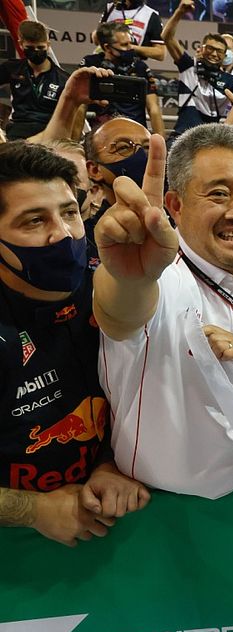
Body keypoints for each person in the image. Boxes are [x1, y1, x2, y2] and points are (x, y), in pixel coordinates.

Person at [94, 124, 233, 499]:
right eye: (218, 194)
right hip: (167, 512)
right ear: (175, 205)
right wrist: (130, 277)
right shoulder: (160, 279)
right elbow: (121, 313)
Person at [0, 141, 149, 546]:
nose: (63, 234)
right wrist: (33, 510)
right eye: (34, 221)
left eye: (69, 213)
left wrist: (109, 464)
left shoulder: (108, 284)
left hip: (106, 521)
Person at [162, 0, 233, 137]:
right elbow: (167, 37)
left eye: (219, 51)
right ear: (201, 49)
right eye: (210, 48)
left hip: (210, 140)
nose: (214, 54)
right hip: (183, 137)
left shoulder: (230, 81)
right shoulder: (188, 66)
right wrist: (179, 12)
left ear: (224, 56)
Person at [82, 22, 165, 136]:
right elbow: (79, 102)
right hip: (100, 133)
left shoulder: (140, 67)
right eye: (124, 45)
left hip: (135, 132)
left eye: (131, 43)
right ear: (107, 47)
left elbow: (153, 109)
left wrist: (161, 141)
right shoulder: (91, 64)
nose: (131, 48)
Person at [0, 21, 70, 140]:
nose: (36, 51)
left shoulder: (63, 79)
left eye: (41, 47)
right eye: (30, 48)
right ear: (21, 44)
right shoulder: (12, 68)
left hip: (48, 133)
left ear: (48, 45)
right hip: (17, 132)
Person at [98, 0, 166, 61]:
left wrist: (129, 47)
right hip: (105, 62)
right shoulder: (110, 8)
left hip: (132, 65)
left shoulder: (152, 15)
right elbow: (97, 39)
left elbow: (160, 54)